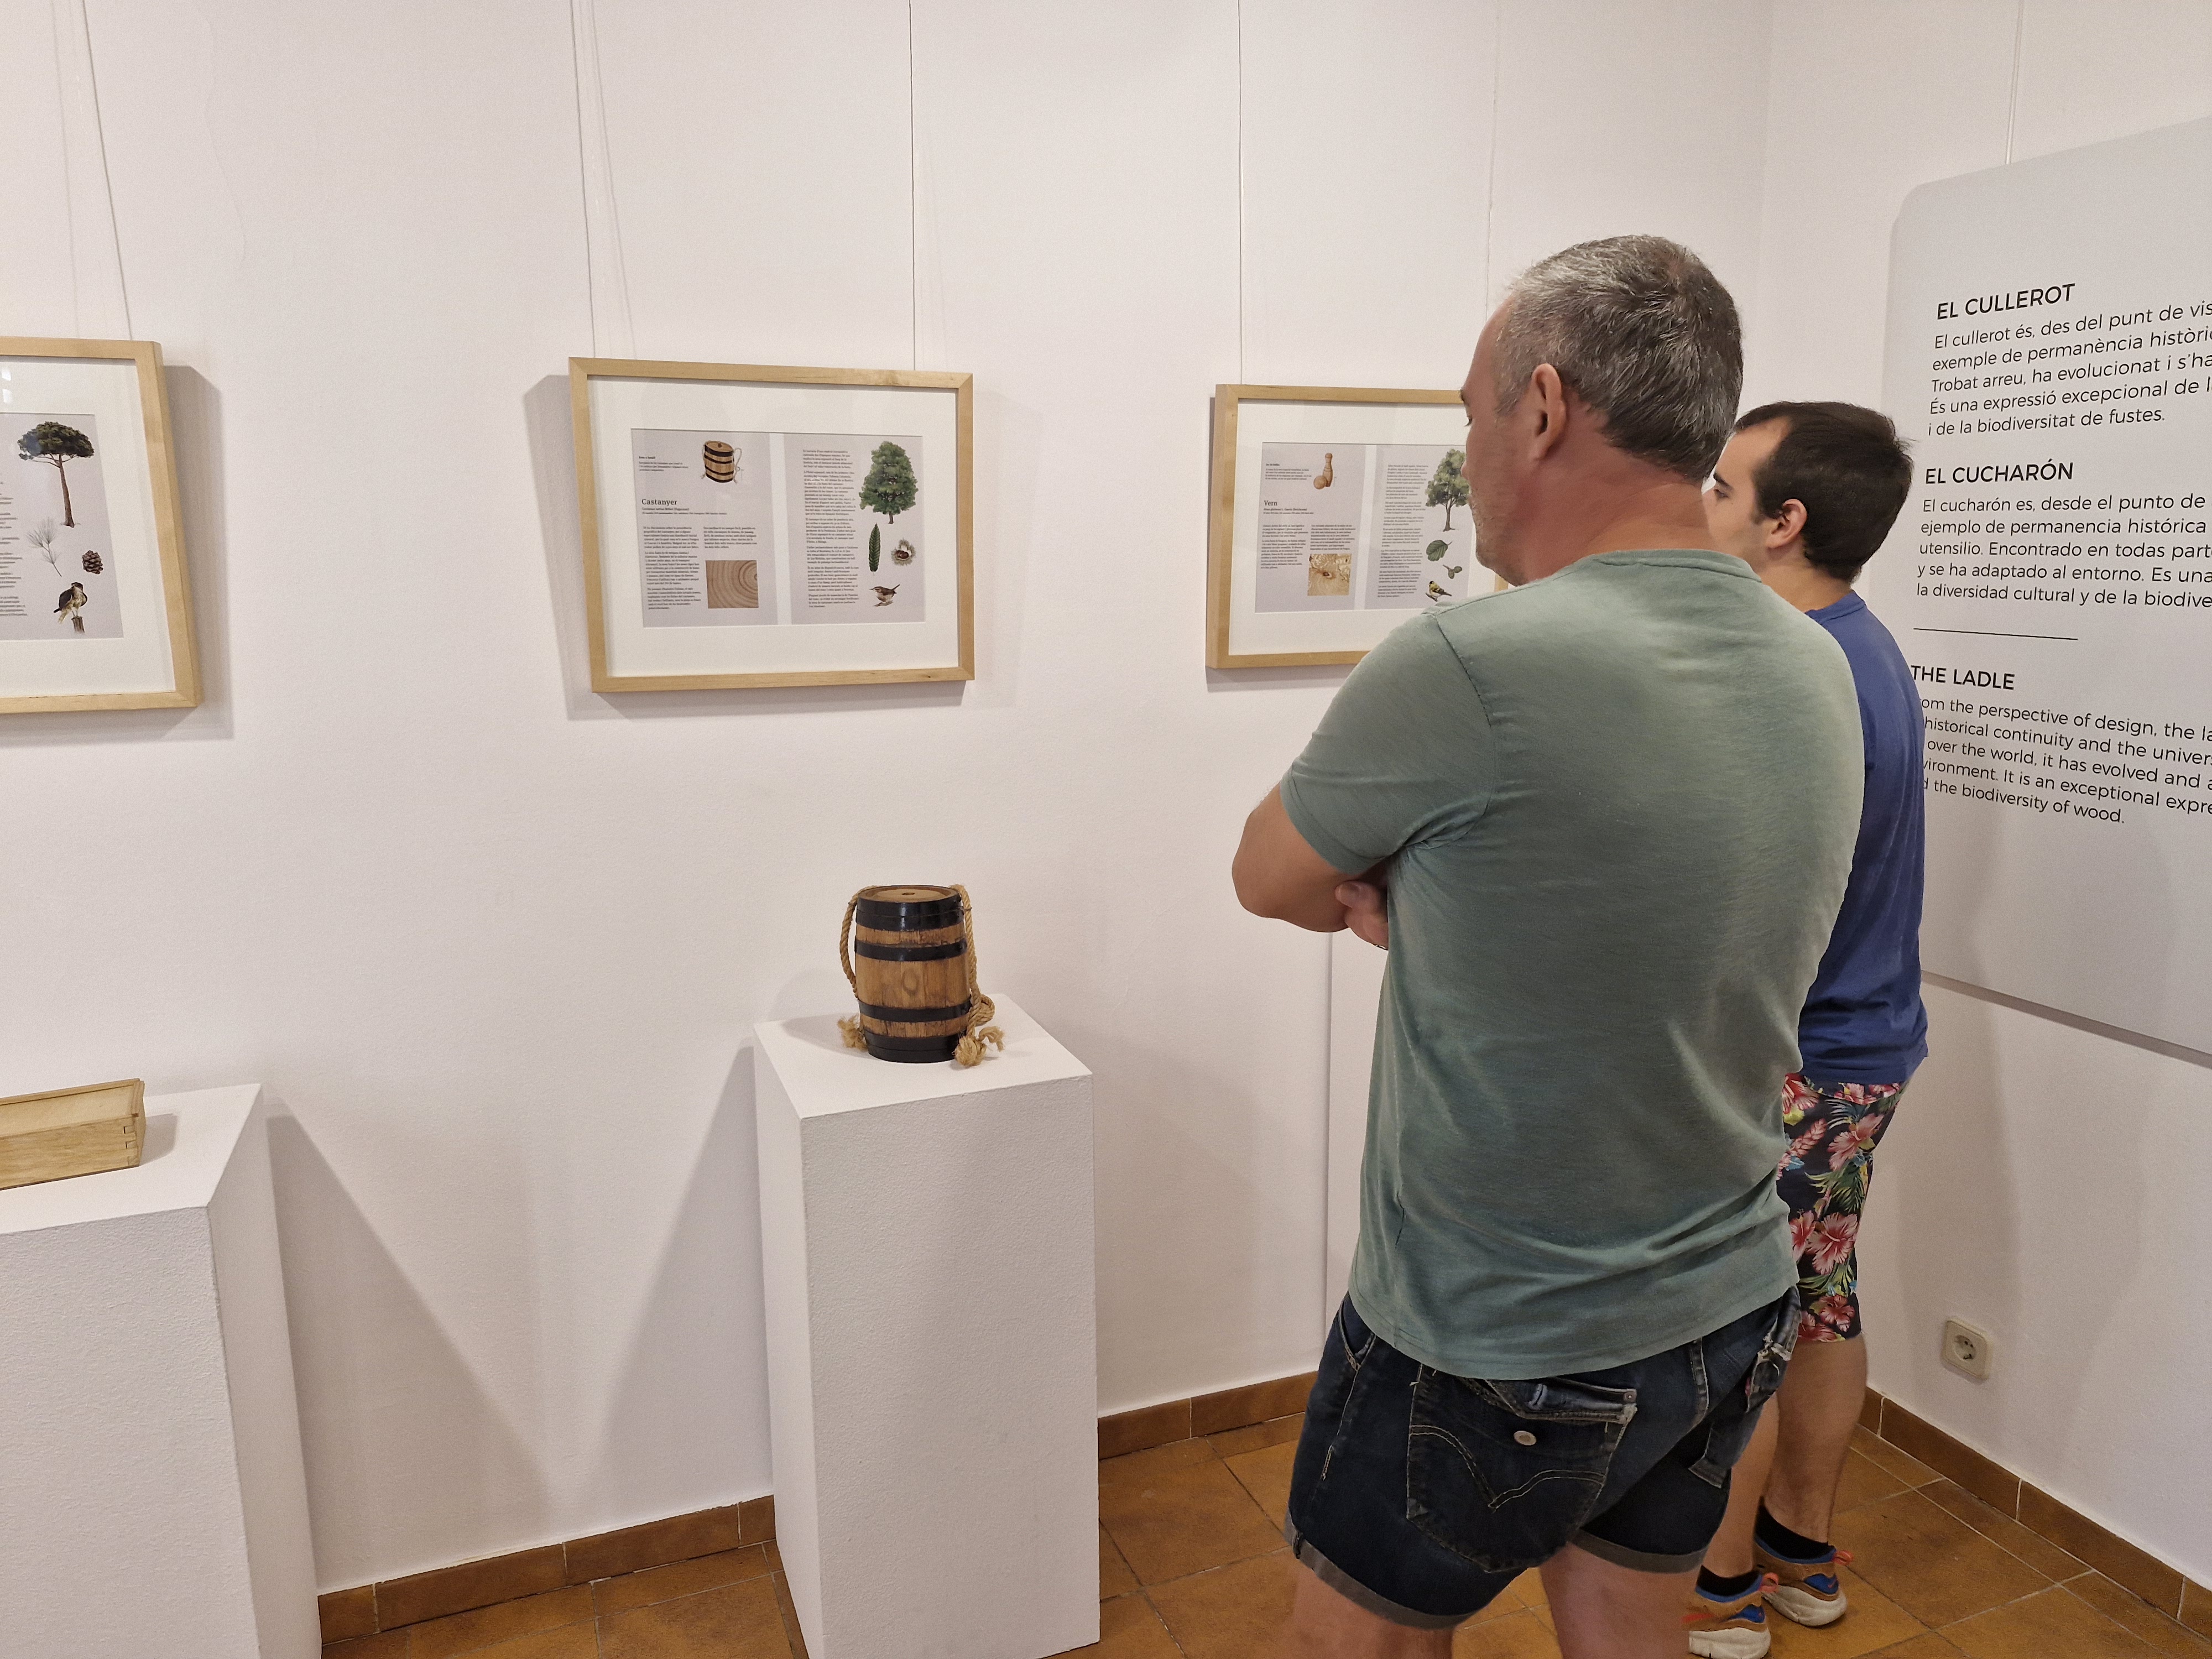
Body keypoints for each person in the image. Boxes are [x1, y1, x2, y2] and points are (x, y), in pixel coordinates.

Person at [1230, 236, 1864, 1659]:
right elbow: (1652, 911)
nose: (1467, 454)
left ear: (1540, 405)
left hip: (1489, 1327)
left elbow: (1267, 875)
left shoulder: (1467, 662)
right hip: (1722, 1300)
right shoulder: (1810, 661)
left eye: (1468, 413)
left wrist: (1407, 885)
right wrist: (1467, 897)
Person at [1684, 403, 1924, 1658]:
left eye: (1719, 488)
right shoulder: (1859, 644)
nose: (1697, 505)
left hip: (1799, 1060)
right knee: (1817, 1294)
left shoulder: (1802, 670)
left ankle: (1724, 1583)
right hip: (1860, 1047)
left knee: (1745, 1321)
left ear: (1783, 524)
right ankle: (1798, 1553)